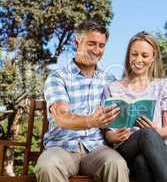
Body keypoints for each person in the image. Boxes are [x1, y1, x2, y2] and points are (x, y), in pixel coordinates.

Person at [34, 20, 129, 182]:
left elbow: (135, 92)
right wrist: (91, 120)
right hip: (62, 147)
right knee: (47, 166)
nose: (97, 50)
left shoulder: (110, 80)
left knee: (117, 164)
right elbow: (61, 116)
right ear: (77, 42)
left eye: (101, 45)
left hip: (97, 149)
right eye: (92, 44)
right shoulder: (58, 78)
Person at [101, 31, 167, 182]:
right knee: (147, 134)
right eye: (134, 54)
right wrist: (114, 136)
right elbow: (107, 132)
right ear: (128, 56)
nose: (138, 59)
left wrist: (157, 131)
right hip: (127, 148)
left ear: (153, 58)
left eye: (144, 55)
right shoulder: (112, 88)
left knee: (142, 162)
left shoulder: (165, 85)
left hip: (164, 148)